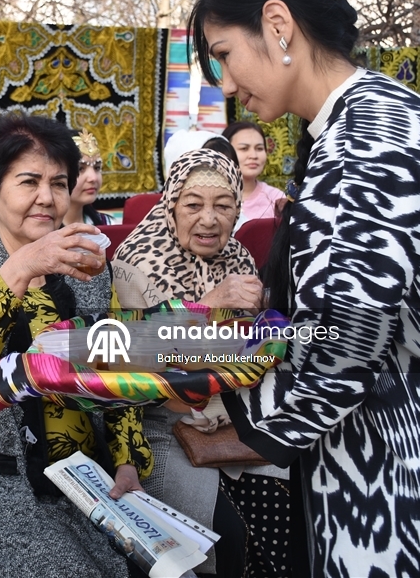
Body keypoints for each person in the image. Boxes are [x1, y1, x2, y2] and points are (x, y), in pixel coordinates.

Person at [190, 0, 420, 576]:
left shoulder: (368, 140)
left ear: (277, 25)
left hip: (418, 475)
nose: (224, 84)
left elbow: (345, 341)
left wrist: (180, 371)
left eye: (224, 54)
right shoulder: (388, 116)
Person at [0, 114, 153, 578]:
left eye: (58, 183)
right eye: (28, 182)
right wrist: (19, 270)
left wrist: (128, 464)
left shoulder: (87, 270)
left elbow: (121, 375)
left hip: (87, 485)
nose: (47, 197)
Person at [111, 148, 289, 577]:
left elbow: (251, 355)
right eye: (193, 205)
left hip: (235, 419)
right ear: (171, 207)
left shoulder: (240, 259)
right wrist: (209, 305)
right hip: (164, 426)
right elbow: (140, 368)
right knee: (218, 542)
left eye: (223, 206)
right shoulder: (134, 265)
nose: (209, 219)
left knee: (288, 510)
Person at [221, 121, 284, 228]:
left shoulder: (276, 198)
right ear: (226, 152)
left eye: (259, 148)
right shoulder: (213, 195)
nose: (253, 155)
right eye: (244, 148)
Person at [62, 128, 114, 226]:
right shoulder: (43, 230)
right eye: (80, 169)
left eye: (97, 168)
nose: (93, 178)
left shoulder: (107, 224)